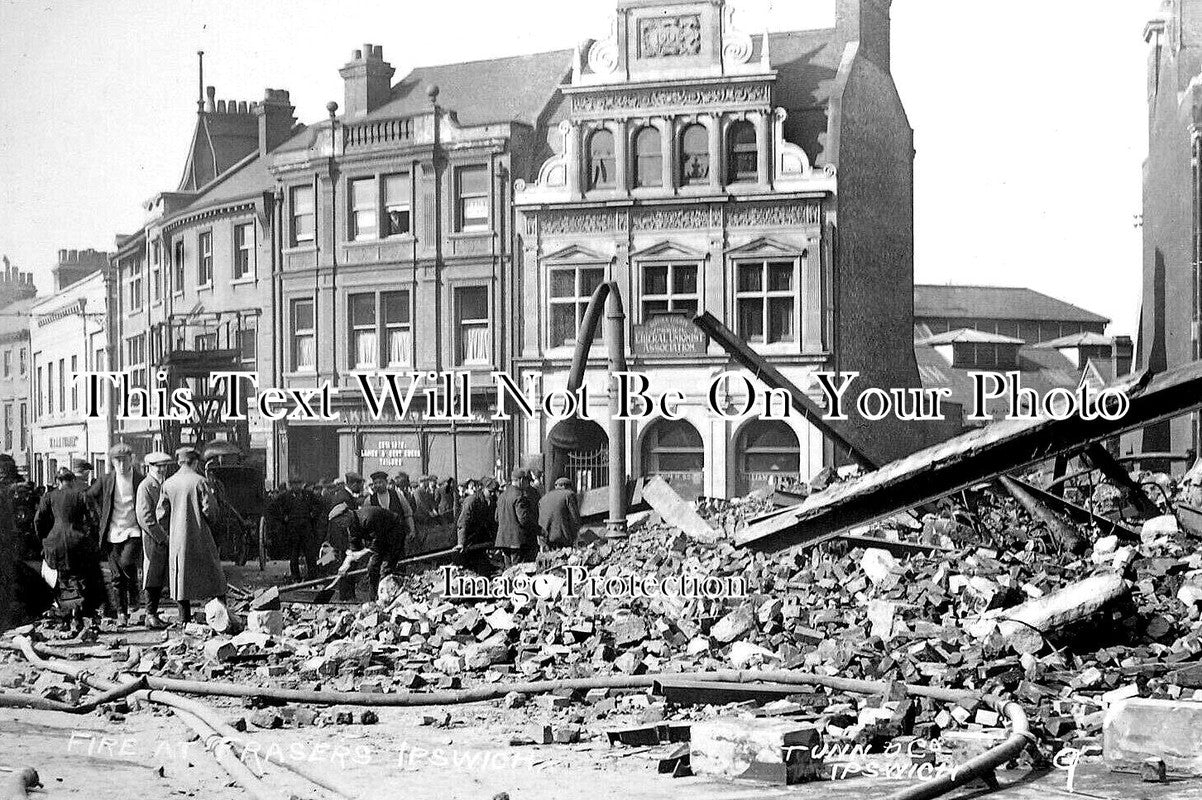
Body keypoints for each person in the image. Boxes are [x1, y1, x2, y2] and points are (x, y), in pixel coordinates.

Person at [156, 447, 226, 624]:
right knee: (214, 574)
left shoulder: (168, 483)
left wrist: (171, 531)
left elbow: (161, 515)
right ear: (195, 462)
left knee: (181, 577)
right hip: (201, 535)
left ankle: (184, 618)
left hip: (178, 539)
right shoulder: (200, 481)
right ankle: (221, 615)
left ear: (179, 462)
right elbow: (211, 510)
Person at [35, 468, 106, 633]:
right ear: (72, 481)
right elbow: (95, 519)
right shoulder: (82, 495)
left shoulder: (49, 496)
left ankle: (65, 618)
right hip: (78, 542)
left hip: (55, 543)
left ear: (58, 482)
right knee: (79, 578)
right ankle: (76, 615)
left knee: (61, 580)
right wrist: (89, 538)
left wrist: (46, 539)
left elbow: (38, 520)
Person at [86, 443, 144, 626]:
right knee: (116, 577)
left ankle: (134, 592)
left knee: (127, 563)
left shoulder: (138, 479)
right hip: (112, 532)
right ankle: (121, 613)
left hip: (133, 529)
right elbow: (89, 496)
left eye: (124, 460)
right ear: (112, 462)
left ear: (131, 460)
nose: (120, 464)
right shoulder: (106, 479)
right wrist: (99, 515)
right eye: (117, 461)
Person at [135, 451, 172, 629]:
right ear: (150, 467)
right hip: (153, 538)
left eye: (164, 466)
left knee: (159, 577)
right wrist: (161, 537)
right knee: (152, 577)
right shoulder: (146, 486)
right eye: (159, 466)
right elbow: (145, 518)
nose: (162, 469)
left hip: (164, 537)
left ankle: (153, 613)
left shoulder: (163, 484)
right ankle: (150, 614)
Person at [344, 504, 408, 601]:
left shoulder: (368, 518)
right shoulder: (352, 525)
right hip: (379, 540)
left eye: (341, 521)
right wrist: (346, 564)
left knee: (386, 568)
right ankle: (373, 599)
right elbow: (354, 547)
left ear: (348, 514)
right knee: (372, 567)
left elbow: (376, 544)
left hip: (394, 534)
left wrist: (361, 554)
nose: (341, 525)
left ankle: (391, 598)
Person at [269, 476, 321, 581]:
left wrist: (313, 514)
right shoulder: (285, 496)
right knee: (294, 555)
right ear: (290, 485)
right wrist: (283, 518)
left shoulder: (308, 495)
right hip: (292, 530)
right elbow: (272, 508)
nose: (297, 486)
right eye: (294, 484)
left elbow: (319, 505)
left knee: (310, 554)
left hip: (306, 528)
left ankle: (312, 577)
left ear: (302, 484)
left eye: (298, 484)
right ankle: (295, 577)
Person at [323, 472, 364, 600]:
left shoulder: (343, 495)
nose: (361, 487)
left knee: (347, 565)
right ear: (352, 484)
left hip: (341, 538)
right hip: (344, 538)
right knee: (348, 565)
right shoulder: (345, 498)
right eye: (359, 484)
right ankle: (346, 595)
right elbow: (346, 522)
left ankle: (347, 594)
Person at [495, 468, 540, 566]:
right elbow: (523, 519)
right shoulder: (519, 496)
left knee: (508, 568)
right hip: (517, 540)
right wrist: (538, 529)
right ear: (521, 480)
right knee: (518, 569)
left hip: (503, 539)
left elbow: (497, 518)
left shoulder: (502, 496)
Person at [455, 477, 498, 575]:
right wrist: (461, 543)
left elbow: (491, 522)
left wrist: (495, 538)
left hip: (480, 538)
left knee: (483, 568)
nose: (492, 494)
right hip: (468, 538)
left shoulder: (492, 502)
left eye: (494, 492)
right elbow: (463, 523)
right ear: (483, 489)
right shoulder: (471, 501)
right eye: (490, 491)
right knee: (470, 568)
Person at [538, 476, 581, 552]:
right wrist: (576, 534)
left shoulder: (544, 497)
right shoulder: (569, 494)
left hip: (545, 536)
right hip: (563, 536)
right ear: (566, 486)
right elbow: (575, 517)